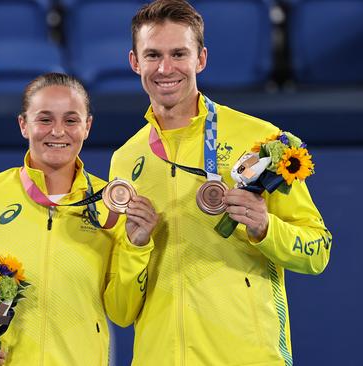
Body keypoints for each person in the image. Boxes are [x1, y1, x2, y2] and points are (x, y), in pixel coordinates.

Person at [108, 1, 333, 365]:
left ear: (201, 59)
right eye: (153, 55)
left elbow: (318, 251)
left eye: (179, 53)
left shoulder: (263, 140)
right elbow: (120, 310)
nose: (166, 68)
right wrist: (135, 247)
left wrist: (265, 227)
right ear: (135, 62)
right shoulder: (126, 159)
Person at [0, 73, 158, 365]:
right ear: (24, 124)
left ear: (87, 126)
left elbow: (122, 312)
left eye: (71, 120)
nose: (58, 132)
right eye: (45, 119)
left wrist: (137, 247)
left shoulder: (110, 204)